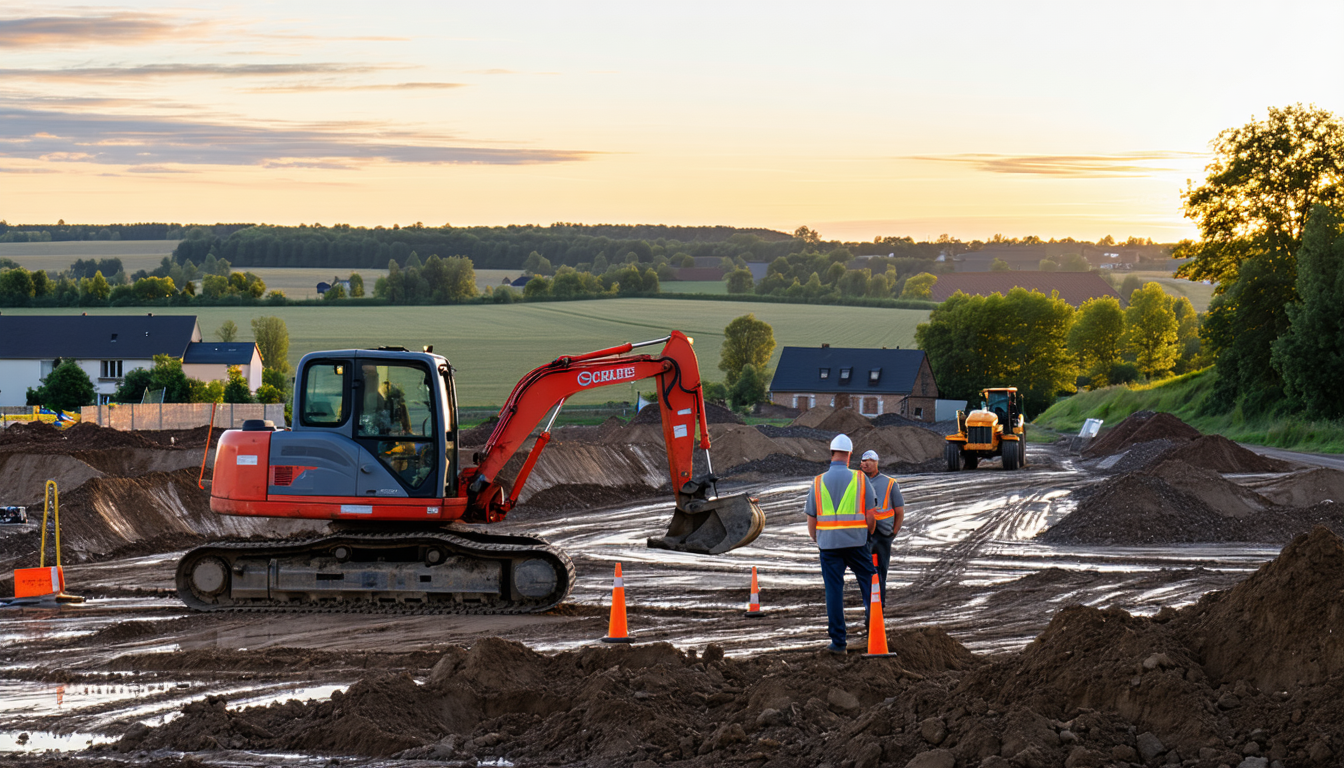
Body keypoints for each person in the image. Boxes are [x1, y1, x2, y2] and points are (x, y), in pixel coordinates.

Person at [804, 433, 877, 653]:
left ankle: (838, 643)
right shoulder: (860, 478)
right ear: (850, 454)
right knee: (870, 584)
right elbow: (871, 515)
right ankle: (875, 630)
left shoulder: (817, 482)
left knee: (834, 591)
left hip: (828, 547)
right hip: (856, 543)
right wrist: (867, 535)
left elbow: (811, 521)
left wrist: (821, 538)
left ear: (831, 452)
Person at [859, 449, 905, 607]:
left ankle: (880, 604)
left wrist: (894, 532)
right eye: (864, 461)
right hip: (864, 534)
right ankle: (869, 604)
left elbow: (899, 510)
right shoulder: (857, 482)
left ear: (876, 462)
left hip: (883, 534)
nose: (866, 463)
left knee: (881, 572)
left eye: (869, 461)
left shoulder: (890, 483)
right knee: (866, 571)